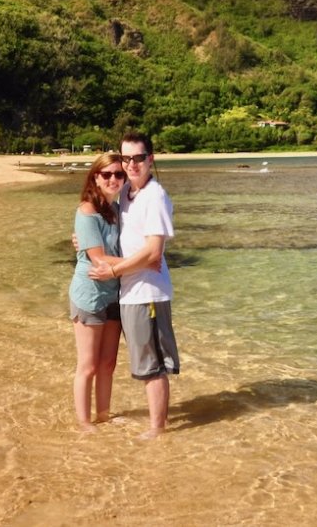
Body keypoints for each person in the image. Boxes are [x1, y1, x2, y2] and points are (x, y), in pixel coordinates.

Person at [89, 131, 180, 439]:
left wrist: (114, 270)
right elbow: (102, 214)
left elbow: (154, 252)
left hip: (148, 293)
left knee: (152, 365)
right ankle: (155, 424)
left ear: (150, 159)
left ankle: (157, 429)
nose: (131, 164)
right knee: (144, 362)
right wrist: (84, 238)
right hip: (130, 292)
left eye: (138, 158)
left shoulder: (155, 196)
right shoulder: (128, 190)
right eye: (125, 158)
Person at [69, 152, 126, 432]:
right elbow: (99, 259)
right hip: (90, 293)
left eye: (119, 174)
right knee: (88, 365)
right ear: (95, 178)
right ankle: (83, 421)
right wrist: (143, 262)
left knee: (108, 363)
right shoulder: (87, 211)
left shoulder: (116, 210)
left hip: (114, 292)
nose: (113, 179)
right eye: (107, 174)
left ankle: (103, 415)